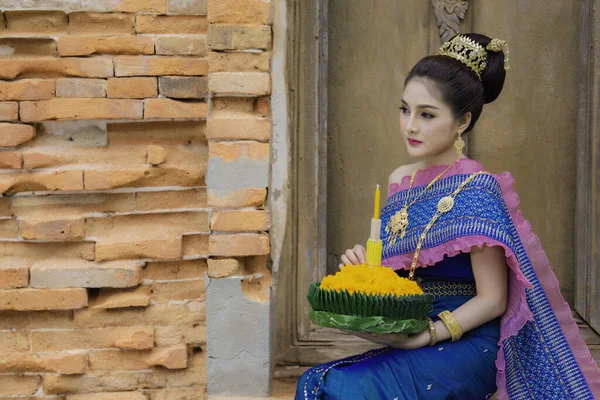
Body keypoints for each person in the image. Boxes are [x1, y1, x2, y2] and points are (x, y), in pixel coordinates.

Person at [295, 33, 600, 400]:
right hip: (411, 326)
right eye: (404, 109)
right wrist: (365, 270)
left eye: (426, 114)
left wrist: (427, 335)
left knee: (348, 389)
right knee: (316, 382)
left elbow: (494, 300)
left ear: (462, 121)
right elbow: (401, 280)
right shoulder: (399, 181)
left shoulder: (476, 188)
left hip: (466, 340)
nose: (410, 125)